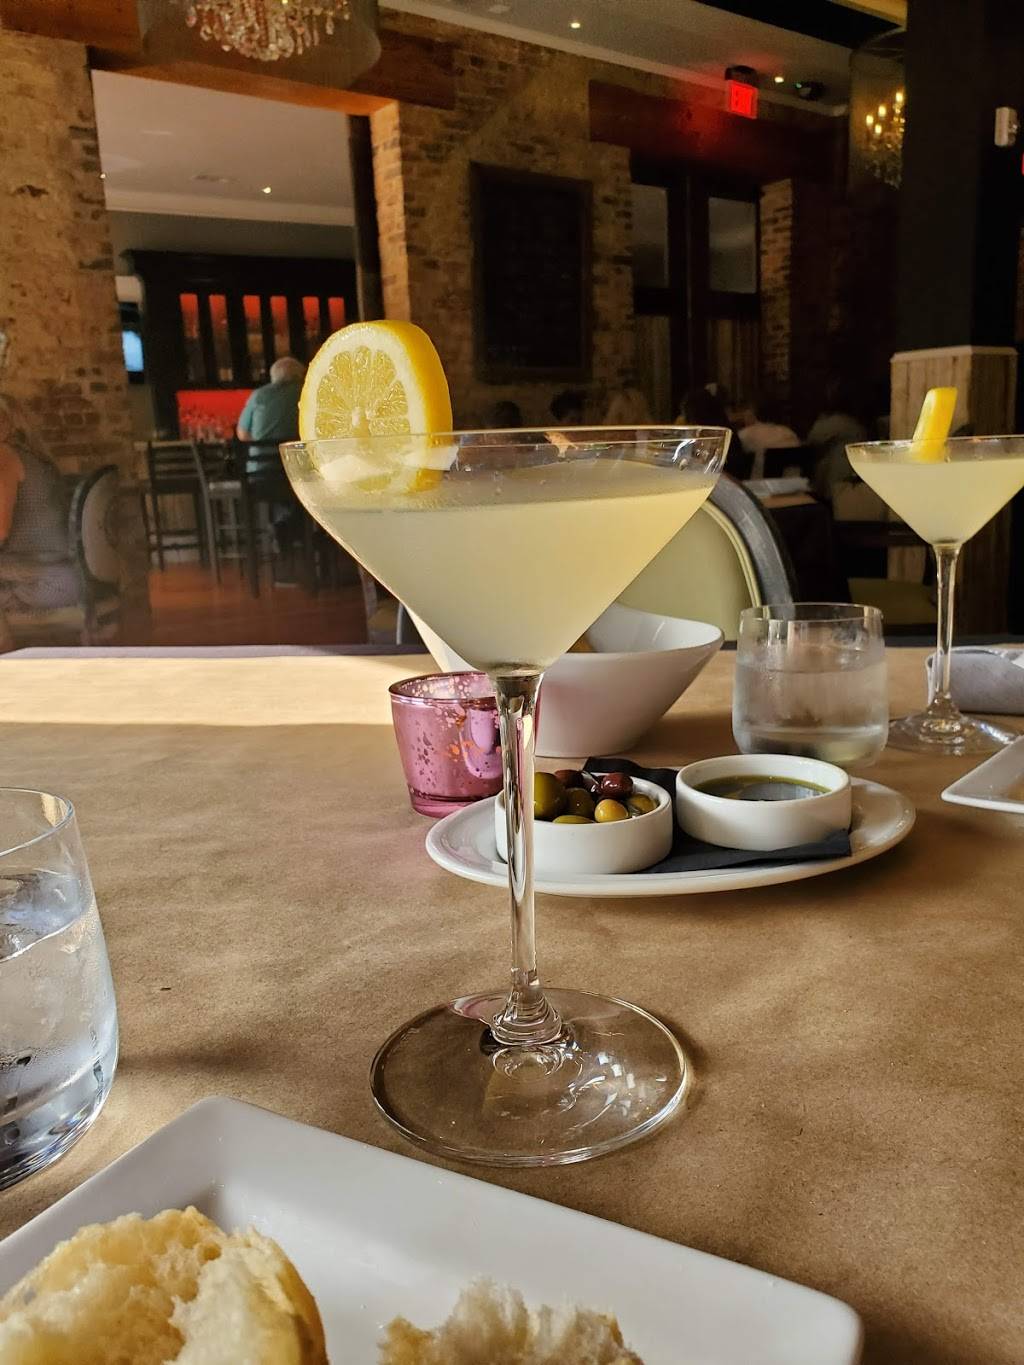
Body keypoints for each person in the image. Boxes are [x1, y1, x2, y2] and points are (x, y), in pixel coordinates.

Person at [807, 382, 868, 502]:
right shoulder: (856, 424)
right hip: (853, 484)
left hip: (838, 486)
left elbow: (813, 437)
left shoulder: (839, 422)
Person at [236, 356, 305, 444]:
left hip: (262, 452)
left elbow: (242, 435)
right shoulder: (306, 393)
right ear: (300, 375)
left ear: (273, 375)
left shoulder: (259, 394)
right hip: (298, 451)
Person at [734, 396, 799, 480]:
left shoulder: (745, 434)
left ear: (753, 412)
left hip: (760, 486)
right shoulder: (790, 433)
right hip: (795, 485)